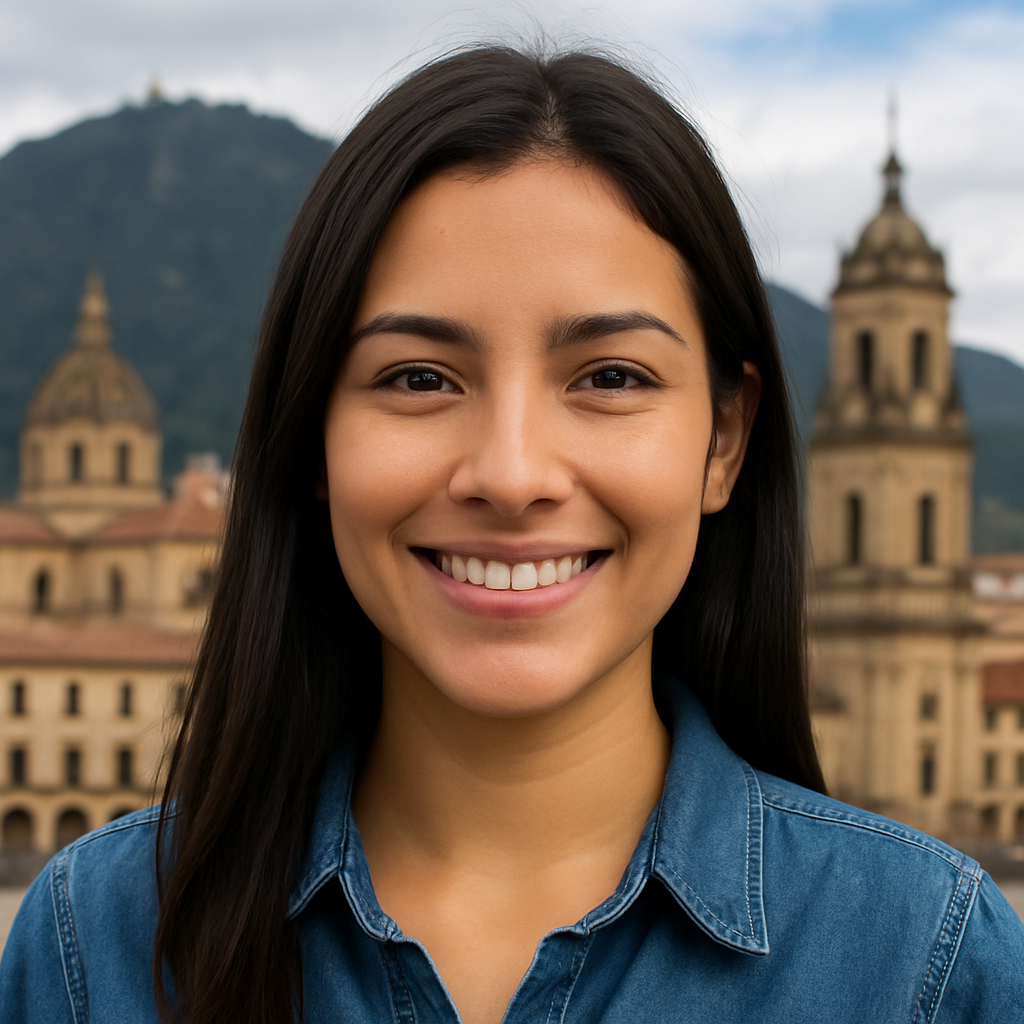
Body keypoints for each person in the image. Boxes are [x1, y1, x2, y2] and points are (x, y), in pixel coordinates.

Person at [2, 45, 1022, 1024]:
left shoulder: (931, 968)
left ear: (724, 440)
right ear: (311, 434)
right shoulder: (90, 945)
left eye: (610, 376)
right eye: (419, 378)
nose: (511, 474)